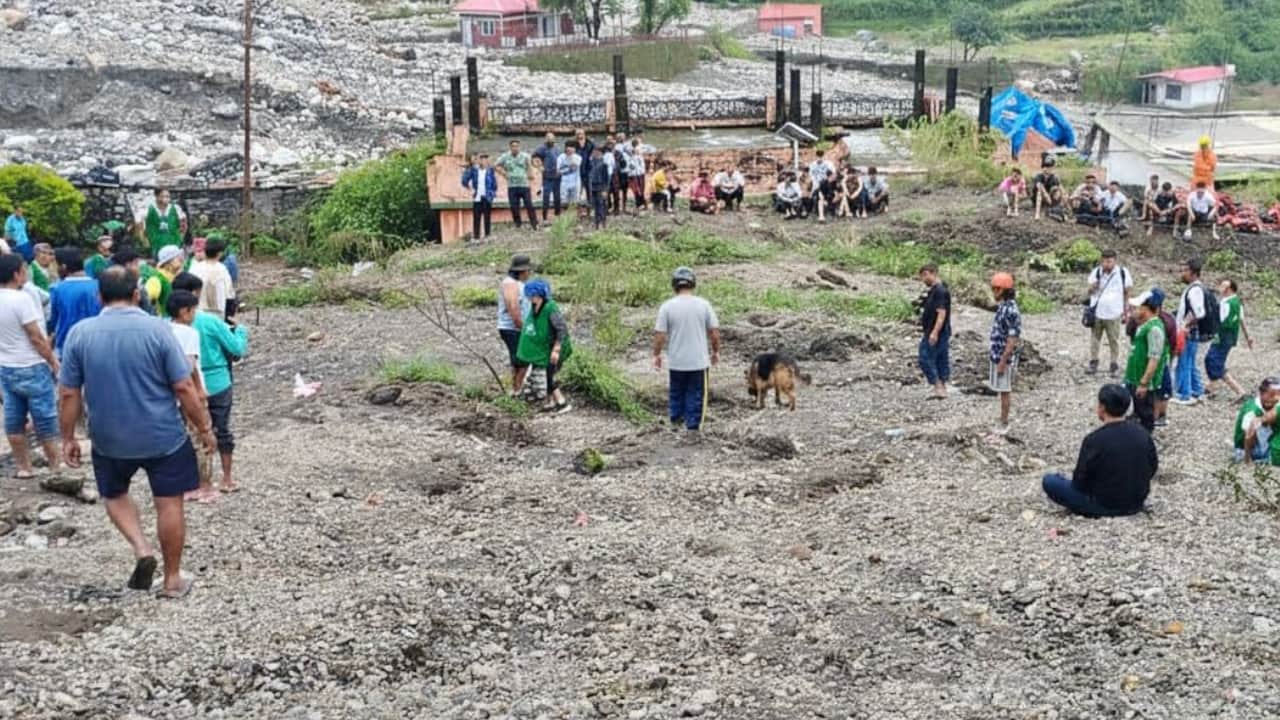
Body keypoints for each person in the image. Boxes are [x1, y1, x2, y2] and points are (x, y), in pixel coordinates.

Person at [59, 266, 215, 599]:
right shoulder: (158, 331)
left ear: (99, 296)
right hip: (163, 436)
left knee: (114, 494)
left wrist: (68, 437)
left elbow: (69, 393)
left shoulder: (79, 334)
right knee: (169, 503)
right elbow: (184, 386)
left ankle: (142, 547)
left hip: (108, 438)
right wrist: (204, 427)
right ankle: (172, 580)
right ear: (136, 294)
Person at [1041, 384, 1156, 517]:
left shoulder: (1094, 440)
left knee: (1050, 481)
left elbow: (1080, 481)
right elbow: (1152, 467)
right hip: (1136, 502)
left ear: (1102, 408)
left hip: (1102, 504)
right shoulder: (1142, 433)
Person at [0, 255, 61, 480]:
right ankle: (56, 467)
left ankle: (24, 467)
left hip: (6, 367)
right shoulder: (21, 299)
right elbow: (35, 336)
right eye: (24, 270)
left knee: (14, 420)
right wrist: (53, 361)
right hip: (32, 365)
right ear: (16, 274)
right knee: (45, 418)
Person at [191, 281, 248, 494]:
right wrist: (240, 330)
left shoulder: (168, 325)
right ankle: (227, 479)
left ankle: (199, 481)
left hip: (185, 385)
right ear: (196, 294)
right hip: (217, 382)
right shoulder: (210, 321)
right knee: (221, 429)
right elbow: (237, 348)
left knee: (193, 432)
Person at [654, 267, 720, 433]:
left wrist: (656, 354)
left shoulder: (667, 307)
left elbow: (660, 335)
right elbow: (714, 332)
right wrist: (715, 351)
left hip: (676, 361)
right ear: (693, 284)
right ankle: (693, 427)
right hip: (698, 361)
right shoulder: (704, 305)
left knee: (676, 391)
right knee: (696, 394)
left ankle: (675, 421)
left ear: (674, 285)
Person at [166, 290, 217, 503]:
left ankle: (183, 485)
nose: (195, 314)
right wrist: (199, 391)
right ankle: (204, 486)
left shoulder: (162, 328)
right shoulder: (189, 333)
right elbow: (189, 366)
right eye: (194, 309)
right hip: (187, 391)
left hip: (167, 395)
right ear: (185, 311)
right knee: (202, 438)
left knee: (179, 440)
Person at [515, 279, 572, 414]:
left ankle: (562, 403)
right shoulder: (535, 307)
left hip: (553, 348)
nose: (529, 297)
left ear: (537, 294)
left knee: (549, 377)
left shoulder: (550, 308)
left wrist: (556, 349)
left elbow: (561, 329)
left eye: (531, 295)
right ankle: (550, 402)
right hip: (543, 348)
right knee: (546, 375)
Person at [1123, 289, 1170, 432]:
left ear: (1148, 309)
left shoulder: (1154, 329)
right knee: (1138, 409)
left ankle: (1146, 438)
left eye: (1138, 307)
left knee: (1145, 413)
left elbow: (1154, 358)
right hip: (1135, 377)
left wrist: (1144, 383)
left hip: (1143, 381)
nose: (1134, 310)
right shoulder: (1143, 325)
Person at [1085, 249, 1133, 376]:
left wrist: (1126, 309)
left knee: (1114, 340)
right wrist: (1093, 286)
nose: (1106, 264)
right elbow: (1088, 291)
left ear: (1114, 261)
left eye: (1109, 262)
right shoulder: (1096, 272)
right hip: (1097, 312)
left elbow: (1128, 290)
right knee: (1095, 339)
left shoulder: (1122, 273)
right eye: (1104, 261)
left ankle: (1114, 364)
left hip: (1114, 312)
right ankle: (1093, 362)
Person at [1205, 279, 1253, 401]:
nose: (1220, 288)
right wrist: (1248, 336)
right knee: (1214, 360)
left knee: (1213, 359)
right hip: (1229, 337)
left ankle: (1236, 390)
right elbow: (1241, 321)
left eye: (1223, 286)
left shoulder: (1226, 303)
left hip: (1222, 336)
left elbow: (1221, 320)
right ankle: (1212, 387)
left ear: (1230, 289)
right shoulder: (1236, 302)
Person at [47, 248, 101, 357]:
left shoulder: (57, 289)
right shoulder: (99, 286)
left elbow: (53, 320)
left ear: (63, 267)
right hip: (96, 345)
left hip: (66, 345)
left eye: (55, 265)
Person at [988, 272, 1021, 434]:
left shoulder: (1011, 311)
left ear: (1004, 290)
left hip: (1003, 357)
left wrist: (1003, 361)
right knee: (1001, 390)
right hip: (997, 354)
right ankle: (1002, 418)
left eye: (996, 289)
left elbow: (1012, 339)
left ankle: (1004, 421)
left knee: (1005, 390)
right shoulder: (1003, 307)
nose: (994, 292)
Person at [1174, 258, 1208, 405]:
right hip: (1192, 331)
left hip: (1189, 332)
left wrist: (1185, 325)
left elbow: (1199, 312)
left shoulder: (1194, 290)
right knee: (1191, 362)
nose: (1182, 274)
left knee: (1184, 362)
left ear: (1193, 273)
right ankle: (1198, 391)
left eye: (1185, 271)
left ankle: (1185, 394)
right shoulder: (1196, 288)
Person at [498, 255, 532, 396]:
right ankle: (516, 390)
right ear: (522, 271)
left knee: (519, 359)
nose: (529, 274)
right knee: (523, 359)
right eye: (528, 271)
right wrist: (522, 326)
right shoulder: (510, 284)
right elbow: (513, 308)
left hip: (515, 327)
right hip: (512, 328)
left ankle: (516, 388)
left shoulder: (516, 283)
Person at [917, 263, 951, 400]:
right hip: (937, 330)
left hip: (937, 331)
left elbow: (941, 313)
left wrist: (934, 332)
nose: (923, 279)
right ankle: (942, 387)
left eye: (925, 275)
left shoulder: (940, 291)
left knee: (924, 357)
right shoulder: (934, 291)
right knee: (940, 358)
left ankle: (937, 384)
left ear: (932, 273)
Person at [188, 237, 236, 320]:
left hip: (196, 312)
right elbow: (229, 295)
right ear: (220, 253)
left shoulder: (194, 268)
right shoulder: (222, 270)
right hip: (216, 314)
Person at [495, 140, 538, 230]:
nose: (515, 148)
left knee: (529, 205)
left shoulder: (525, 156)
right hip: (512, 185)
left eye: (517, 146)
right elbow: (496, 165)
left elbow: (529, 166)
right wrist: (503, 173)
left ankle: (534, 224)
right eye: (513, 146)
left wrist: (531, 175)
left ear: (519, 147)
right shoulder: (505, 156)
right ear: (510, 147)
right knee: (514, 206)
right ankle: (518, 224)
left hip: (524, 184)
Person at [1233, 378, 1278, 463]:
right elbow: (1249, 434)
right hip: (1251, 448)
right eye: (1271, 395)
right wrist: (1247, 458)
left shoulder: (1275, 404)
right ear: (1261, 393)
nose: (1275, 398)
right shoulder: (1252, 410)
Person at [461, 153, 497, 241]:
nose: (484, 162)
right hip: (477, 197)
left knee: (487, 217)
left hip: (487, 196)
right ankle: (476, 236)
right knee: (476, 217)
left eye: (486, 160)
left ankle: (487, 235)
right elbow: (464, 180)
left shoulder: (490, 171)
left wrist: (492, 194)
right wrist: (470, 188)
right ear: (479, 160)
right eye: (482, 159)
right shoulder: (474, 171)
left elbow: (494, 184)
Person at [145, 245, 185, 318]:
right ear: (167, 262)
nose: (181, 259)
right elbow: (147, 301)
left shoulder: (177, 275)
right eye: (177, 257)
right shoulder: (156, 279)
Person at [111, 248, 154, 315]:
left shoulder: (108, 287)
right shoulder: (138, 288)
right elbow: (149, 312)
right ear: (128, 266)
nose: (139, 267)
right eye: (136, 263)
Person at [144, 189, 186, 258]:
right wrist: (148, 241)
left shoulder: (175, 208)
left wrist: (180, 238)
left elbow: (183, 223)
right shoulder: (149, 209)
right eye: (163, 196)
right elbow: (142, 225)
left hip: (174, 243)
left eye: (168, 196)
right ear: (157, 197)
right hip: (157, 245)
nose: (166, 199)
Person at [532, 132, 562, 221]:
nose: (550, 139)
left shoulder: (557, 148)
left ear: (554, 138)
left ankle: (557, 216)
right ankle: (545, 217)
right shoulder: (542, 148)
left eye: (552, 138)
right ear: (545, 139)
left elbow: (561, 160)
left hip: (557, 177)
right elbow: (533, 158)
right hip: (547, 177)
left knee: (557, 197)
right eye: (548, 138)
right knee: (546, 197)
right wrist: (539, 166)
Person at [588, 147, 611, 230]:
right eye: (593, 152)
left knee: (601, 205)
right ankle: (596, 223)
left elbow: (606, 178)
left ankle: (603, 223)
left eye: (595, 152)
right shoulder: (591, 163)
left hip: (601, 187)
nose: (594, 154)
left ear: (600, 153)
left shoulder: (604, 164)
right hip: (593, 187)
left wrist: (605, 190)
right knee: (595, 206)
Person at [557, 143, 583, 215]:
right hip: (564, 183)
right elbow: (558, 171)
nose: (570, 149)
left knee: (575, 201)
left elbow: (574, 167)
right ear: (565, 148)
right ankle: (565, 217)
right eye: (569, 147)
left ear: (575, 149)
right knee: (564, 201)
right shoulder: (560, 157)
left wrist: (564, 168)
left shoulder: (578, 157)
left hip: (575, 182)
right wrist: (568, 168)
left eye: (572, 147)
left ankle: (573, 217)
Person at [808, 150, 834, 215]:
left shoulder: (829, 164)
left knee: (823, 191)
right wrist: (815, 183)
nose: (819, 158)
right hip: (816, 183)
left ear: (824, 156)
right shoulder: (812, 164)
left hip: (826, 183)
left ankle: (824, 206)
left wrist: (827, 180)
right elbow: (811, 175)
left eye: (821, 156)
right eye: (818, 156)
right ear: (816, 156)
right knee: (816, 192)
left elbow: (832, 174)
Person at [627, 139, 647, 211]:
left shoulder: (639, 155)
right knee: (636, 189)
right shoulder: (631, 156)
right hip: (634, 175)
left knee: (641, 189)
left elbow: (642, 166)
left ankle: (642, 203)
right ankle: (639, 203)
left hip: (640, 174)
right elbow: (631, 166)